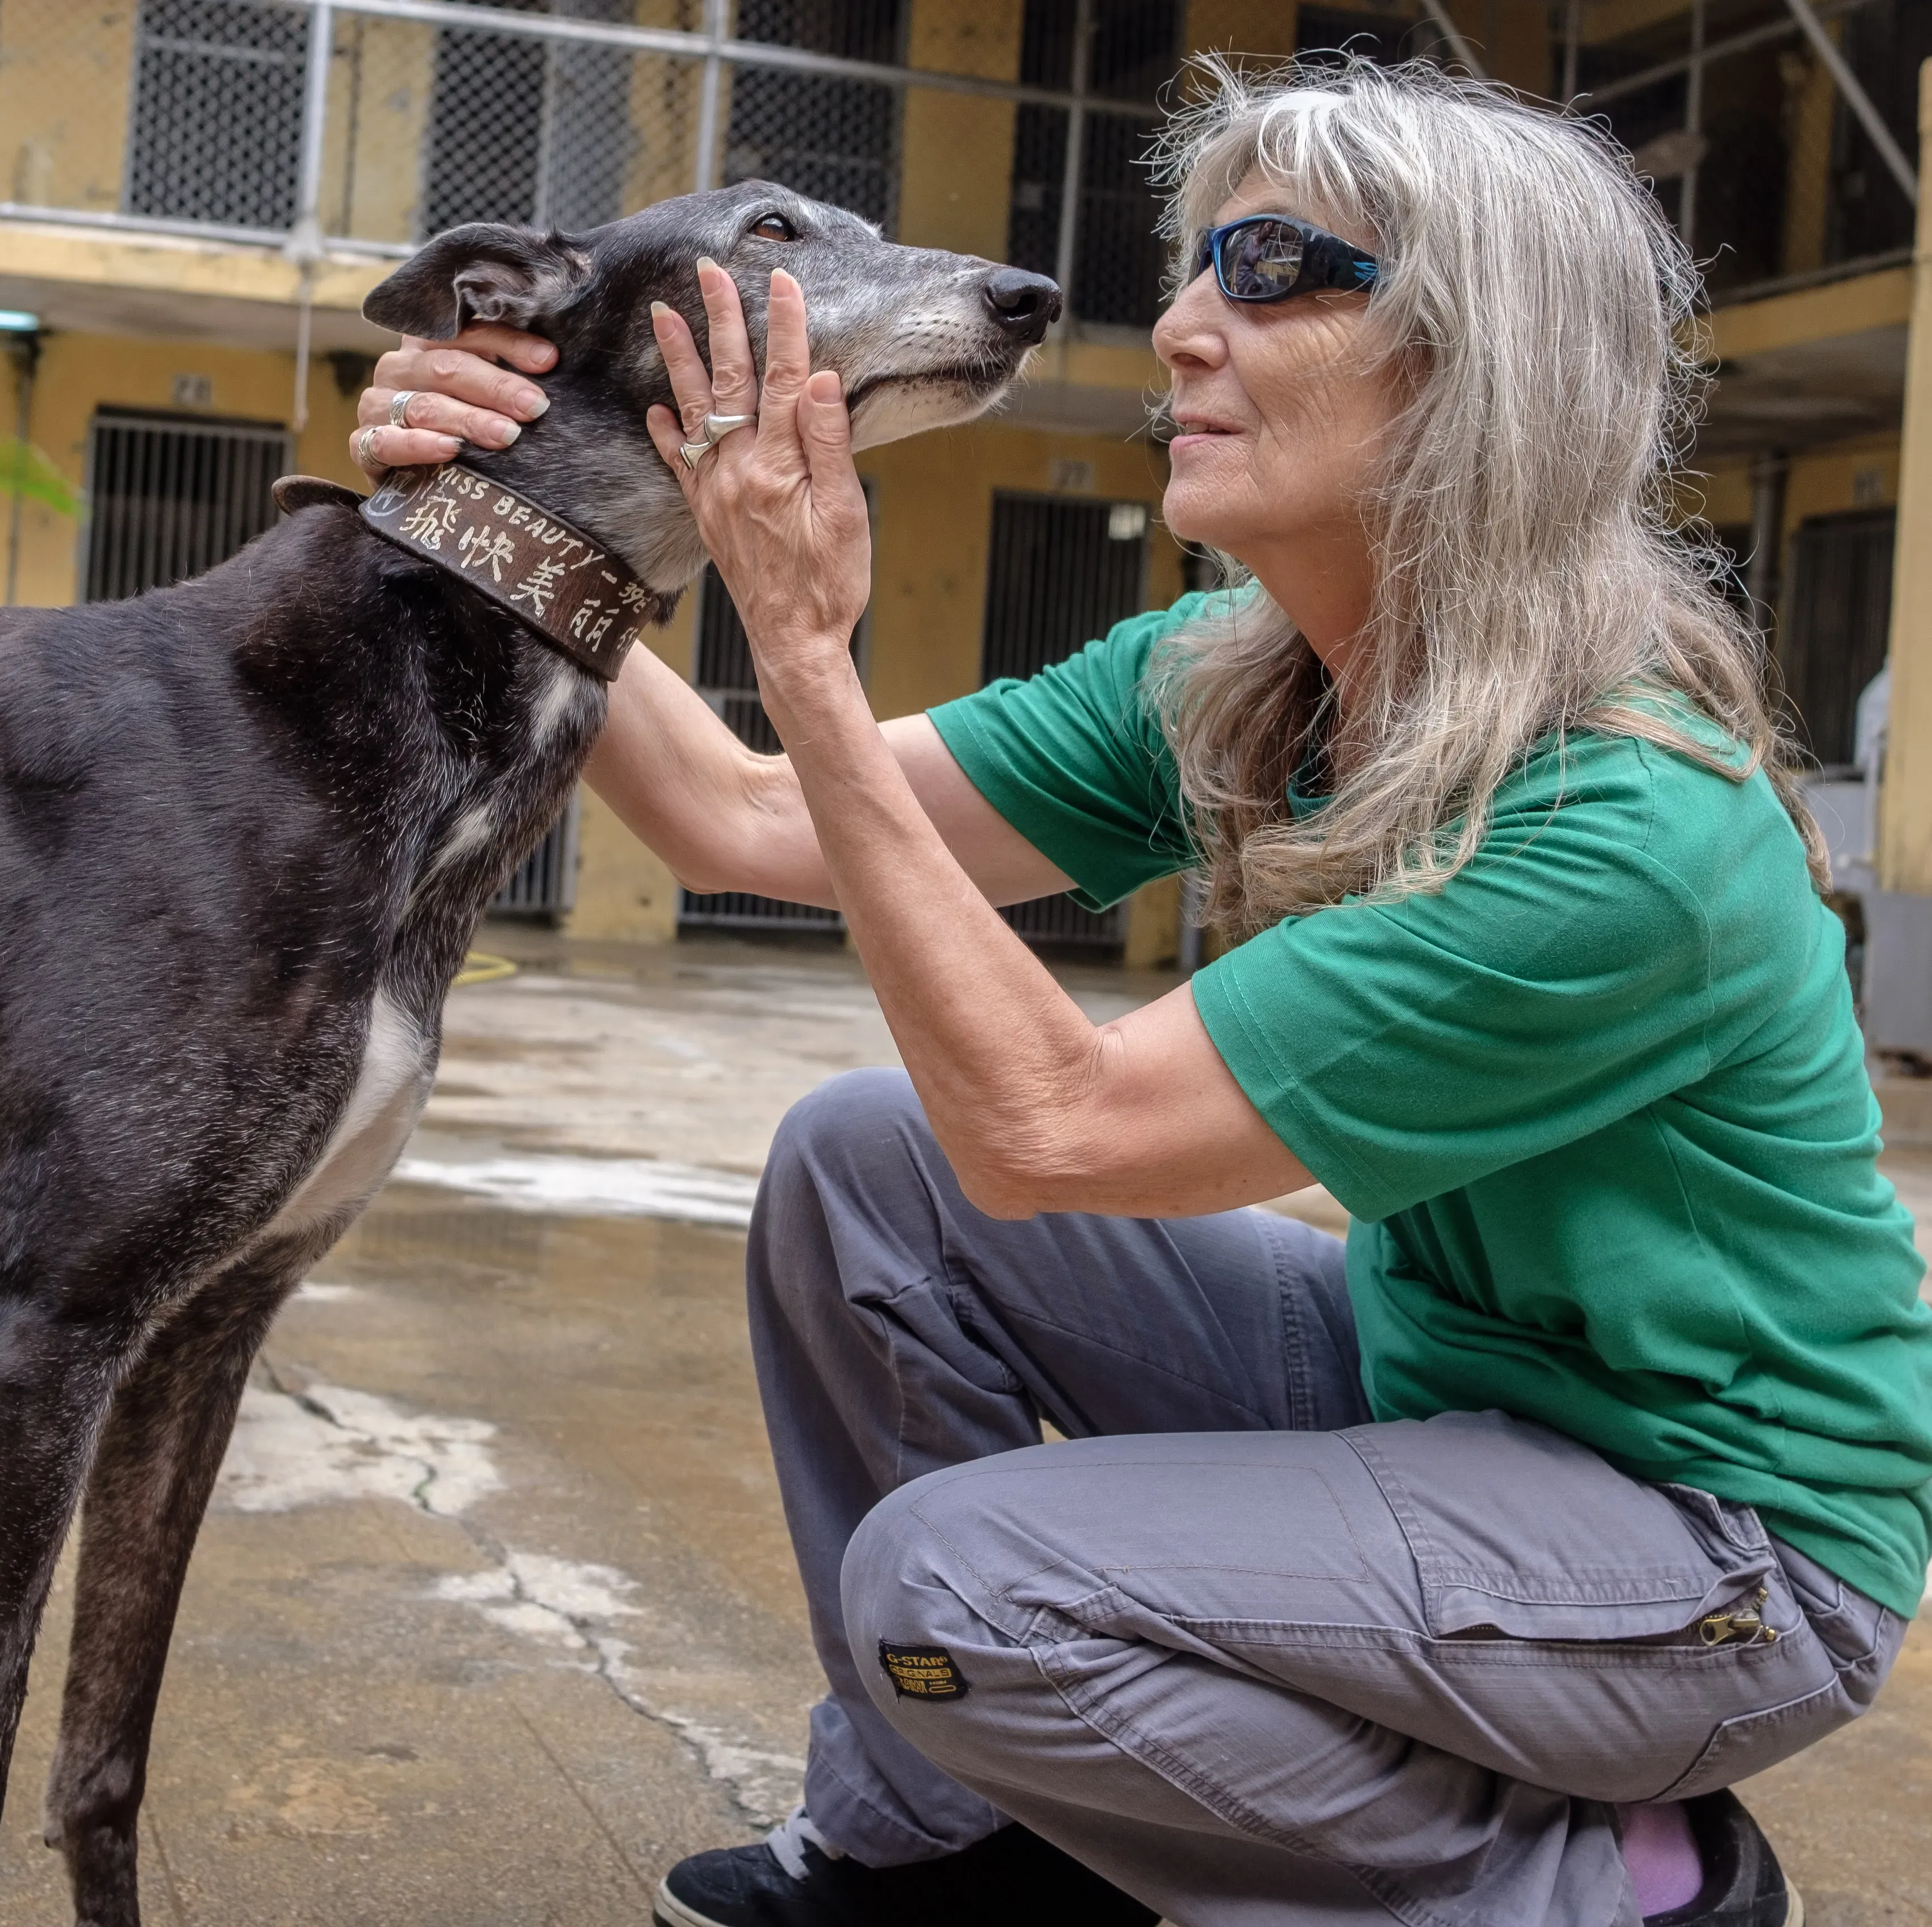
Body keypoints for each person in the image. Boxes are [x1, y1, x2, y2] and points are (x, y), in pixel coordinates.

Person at [358, 59, 1929, 1927]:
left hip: (1715, 1554)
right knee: (874, 1167)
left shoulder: (1626, 826)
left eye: (1270, 269)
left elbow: (1057, 1133)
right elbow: (743, 820)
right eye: (1192, 266)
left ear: (1475, 361)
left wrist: (808, 647)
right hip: (1447, 1394)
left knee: (968, 1591)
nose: (1179, 324)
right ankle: (930, 1856)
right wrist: (508, 500)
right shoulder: (1247, 670)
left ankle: (1598, 1884)